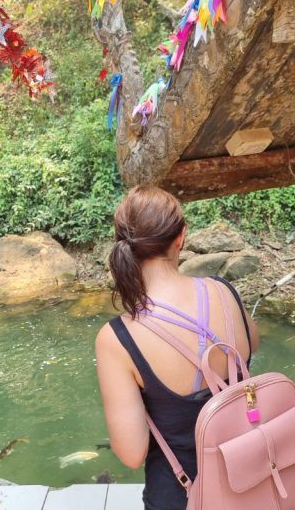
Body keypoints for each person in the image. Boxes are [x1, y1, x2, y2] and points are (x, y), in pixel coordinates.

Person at [95, 185, 259, 510]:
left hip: (179, 498)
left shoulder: (117, 337)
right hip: (250, 483)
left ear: (124, 245)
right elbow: (250, 344)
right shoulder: (225, 292)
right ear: (181, 237)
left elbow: (131, 453)